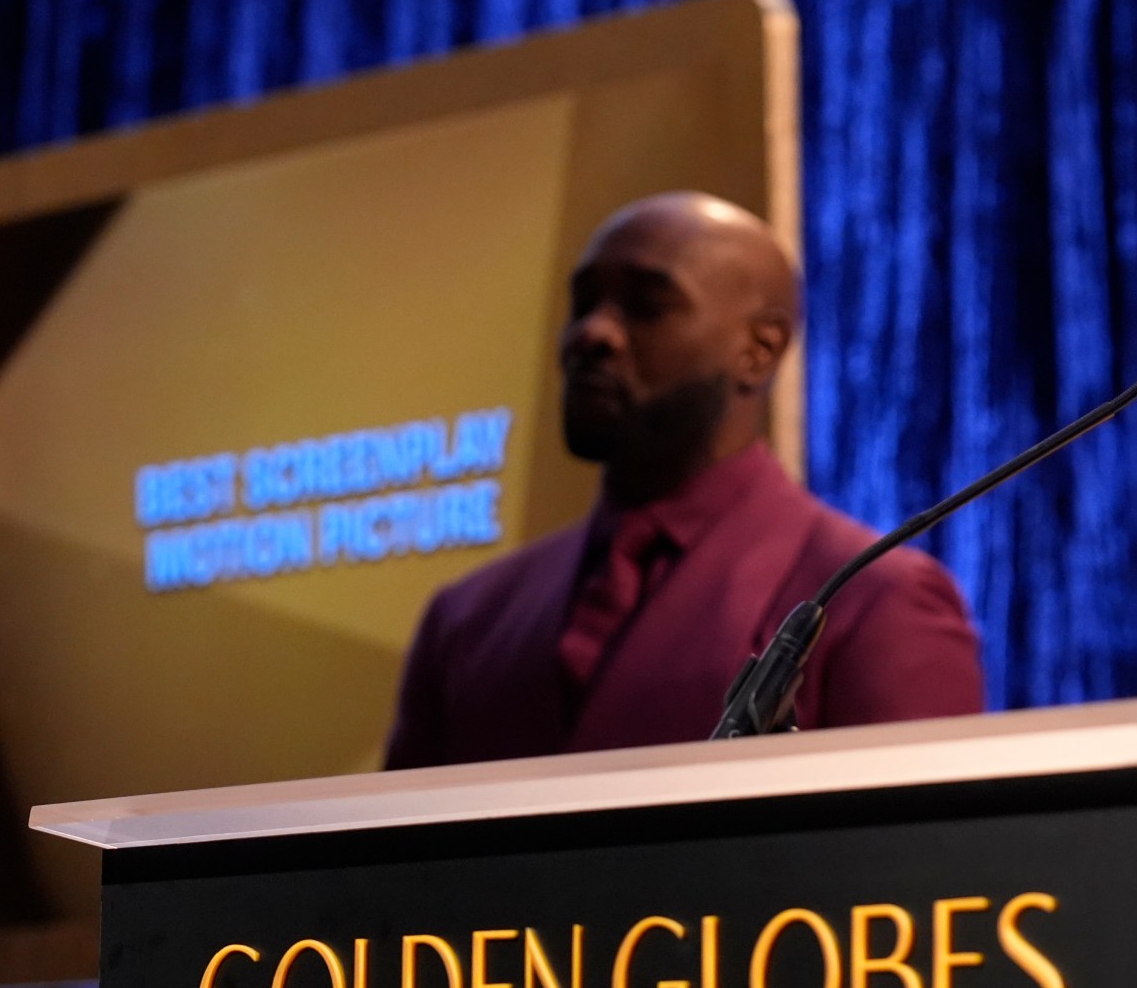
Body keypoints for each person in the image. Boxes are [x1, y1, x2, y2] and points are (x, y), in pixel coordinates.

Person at [386, 192, 984, 767]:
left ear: (759, 349)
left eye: (646, 306)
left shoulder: (876, 600)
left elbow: (922, 866)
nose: (591, 334)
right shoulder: (466, 619)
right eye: (583, 303)